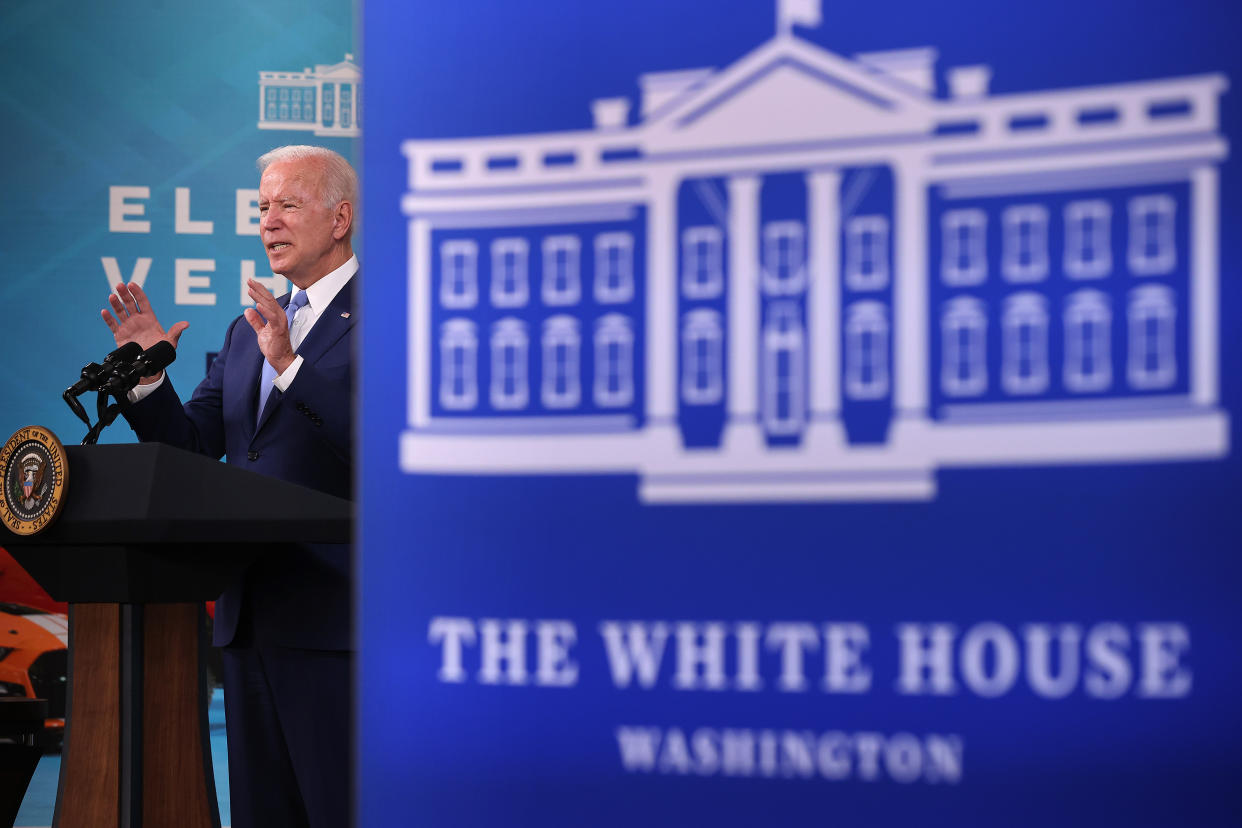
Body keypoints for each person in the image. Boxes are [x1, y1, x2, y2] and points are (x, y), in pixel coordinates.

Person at [100, 145, 356, 828]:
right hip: (248, 623)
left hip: (341, 623)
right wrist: (147, 375)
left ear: (340, 219)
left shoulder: (392, 317)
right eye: (262, 208)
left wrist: (294, 369)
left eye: (287, 205)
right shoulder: (247, 334)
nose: (268, 222)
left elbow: (381, 447)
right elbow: (188, 448)